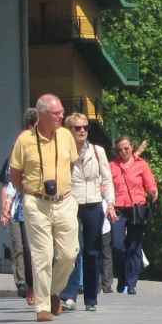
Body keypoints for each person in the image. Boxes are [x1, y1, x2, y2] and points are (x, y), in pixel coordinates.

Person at [8, 94, 79, 322]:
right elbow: (15, 174)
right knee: (43, 255)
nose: (62, 116)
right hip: (36, 202)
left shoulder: (66, 136)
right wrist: (28, 192)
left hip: (65, 200)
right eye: (56, 113)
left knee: (69, 254)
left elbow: (71, 163)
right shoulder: (25, 140)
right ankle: (43, 307)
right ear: (42, 115)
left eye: (61, 112)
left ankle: (54, 291)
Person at [60, 113, 114, 312]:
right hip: (71, 203)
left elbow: (107, 178)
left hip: (93, 203)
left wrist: (110, 203)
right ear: (69, 131)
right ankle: (69, 295)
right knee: (72, 250)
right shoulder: (63, 152)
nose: (82, 130)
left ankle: (91, 298)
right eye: (77, 128)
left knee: (92, 251)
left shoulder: (97, 151)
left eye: (85, 127)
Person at [0, 108, 39, 304]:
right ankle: (25, 284)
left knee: (36, 249)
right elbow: (8, 185)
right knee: (21, 247)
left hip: (40, 205)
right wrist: (5, 210)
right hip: (20, 208)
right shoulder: (16, 154)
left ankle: (38, 286)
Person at [108, 135, 158, 295]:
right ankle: (122, 277)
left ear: (132, 147)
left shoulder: (141, 165)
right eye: (120, 149)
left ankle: (131, 283)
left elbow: (150, 183)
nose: (124, 151)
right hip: (118, 208)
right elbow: (106, 184)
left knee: (134, 246)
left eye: (126, 148)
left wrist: (152, 191)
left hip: (137, 207)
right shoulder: (112, 166)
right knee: (117, 245)